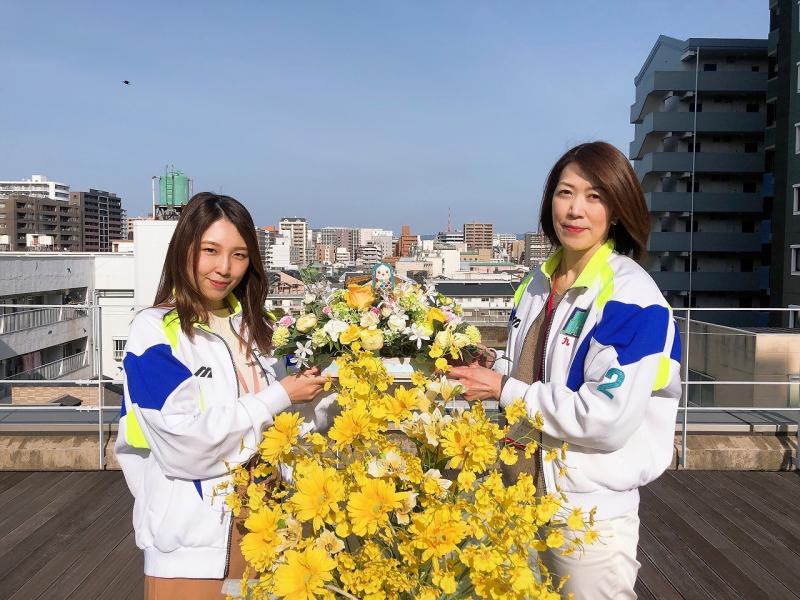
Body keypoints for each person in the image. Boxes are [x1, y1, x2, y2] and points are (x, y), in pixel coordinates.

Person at [449, 141, 681, 599]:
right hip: (519, 495)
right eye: (565, 192)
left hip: (585, 512)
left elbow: (605, 419)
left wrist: (502, 388)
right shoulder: (538, 282)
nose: (576, 209)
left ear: (617, 210)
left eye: (595, 196)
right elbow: (539, 374)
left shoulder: (632, 297)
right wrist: (492, 365)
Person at [116, 193, 334, 599]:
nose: (224, 268)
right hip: (191, 548)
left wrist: (326, 392)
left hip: (272, 530)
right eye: (210, 251)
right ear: (184, 250)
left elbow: (293, 426)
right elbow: (183, 444)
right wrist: (280, 395)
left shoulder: (261, 329)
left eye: (239, 255)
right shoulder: (154, 332)